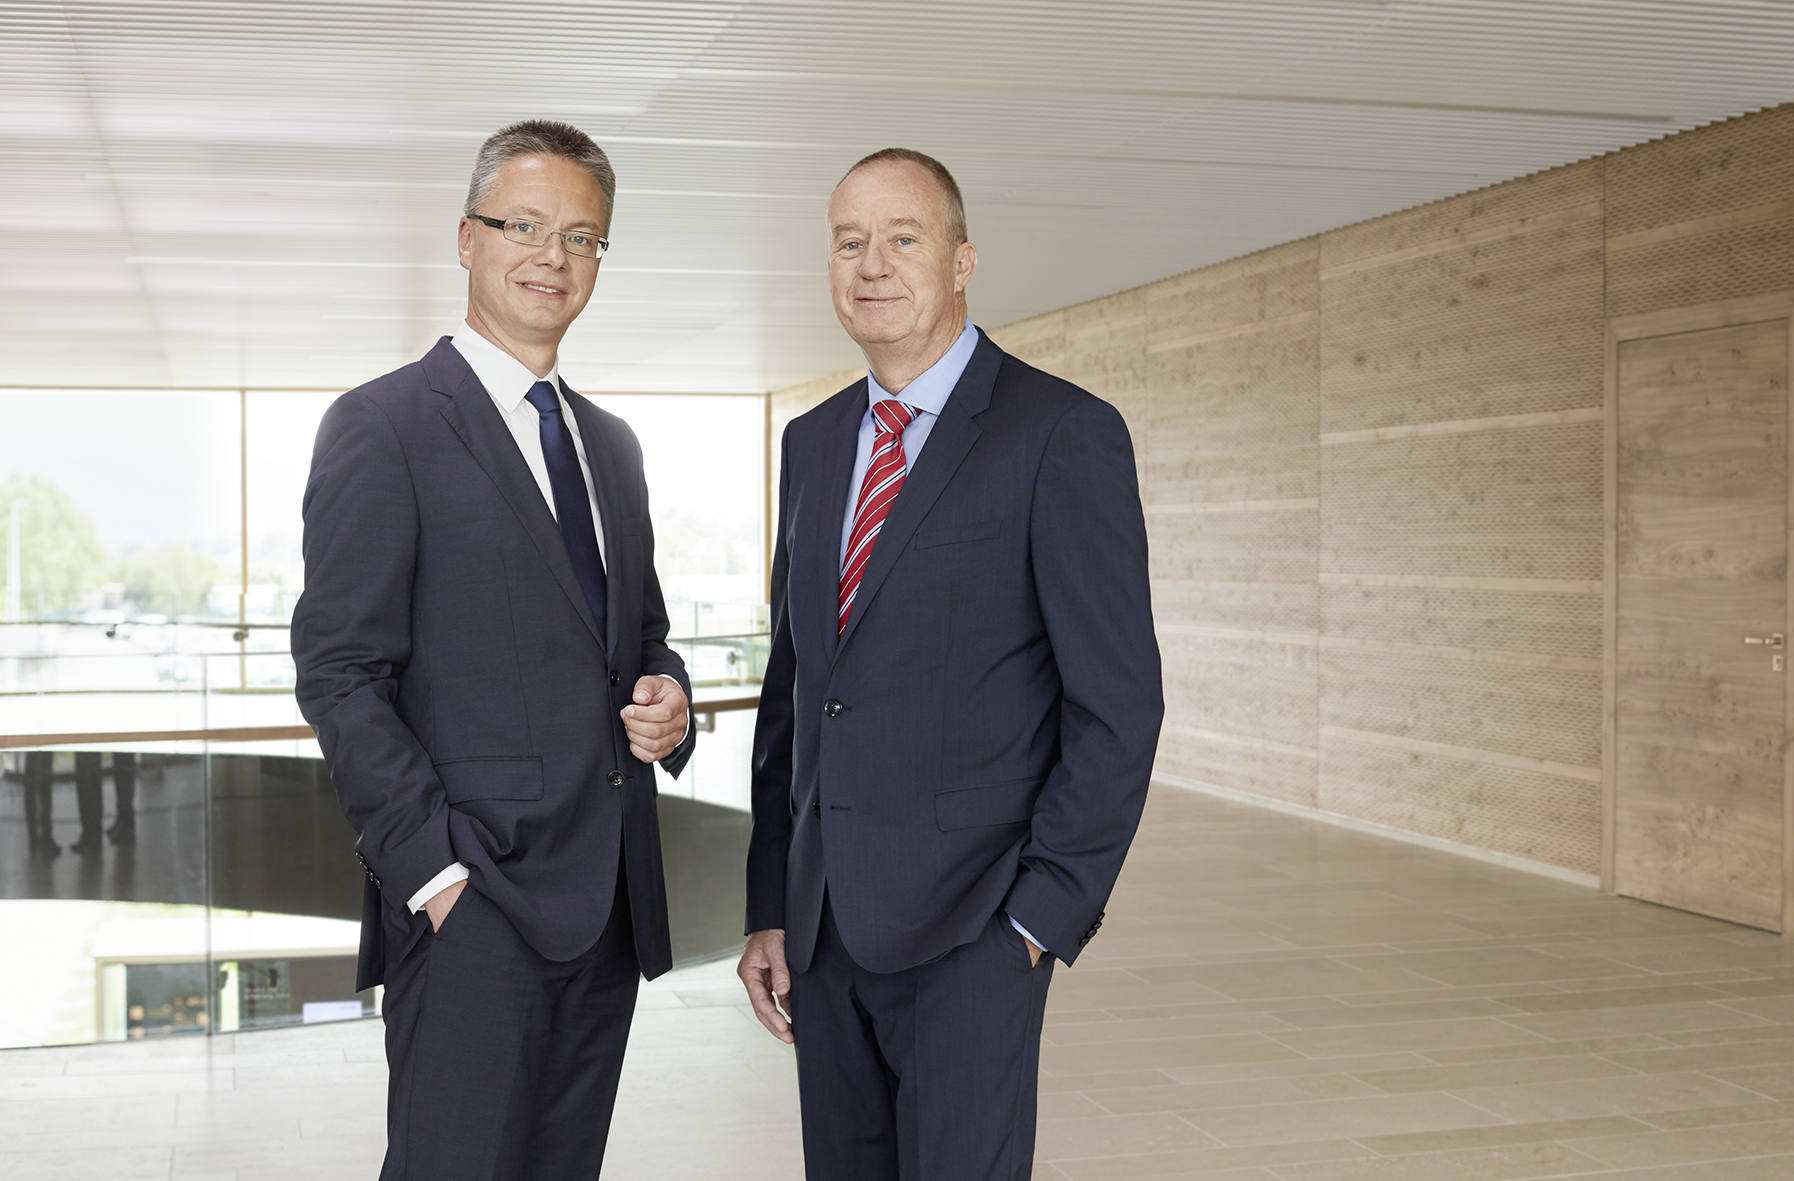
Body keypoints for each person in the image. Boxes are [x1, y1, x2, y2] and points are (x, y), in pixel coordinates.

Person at [738, 149, 1164, 1179]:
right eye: (849, 241)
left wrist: (1040, 916)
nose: (871, 264)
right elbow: (795, 693)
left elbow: (1117, 705)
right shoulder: (813, 442)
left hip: (975, 930)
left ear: (963, 259)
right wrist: (771, 903)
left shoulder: (1060, 433)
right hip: (824, 932)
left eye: (903, 237)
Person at [292, 119, 693, 1181]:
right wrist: (433, 874)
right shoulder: (383, 426)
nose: (552, 256)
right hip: (472, 904)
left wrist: (669, 697)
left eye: (581, 237)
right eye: (524, 226)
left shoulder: (612, 446)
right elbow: (339, 668)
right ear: (467, 238)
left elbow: (641, 637)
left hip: (607, 906)